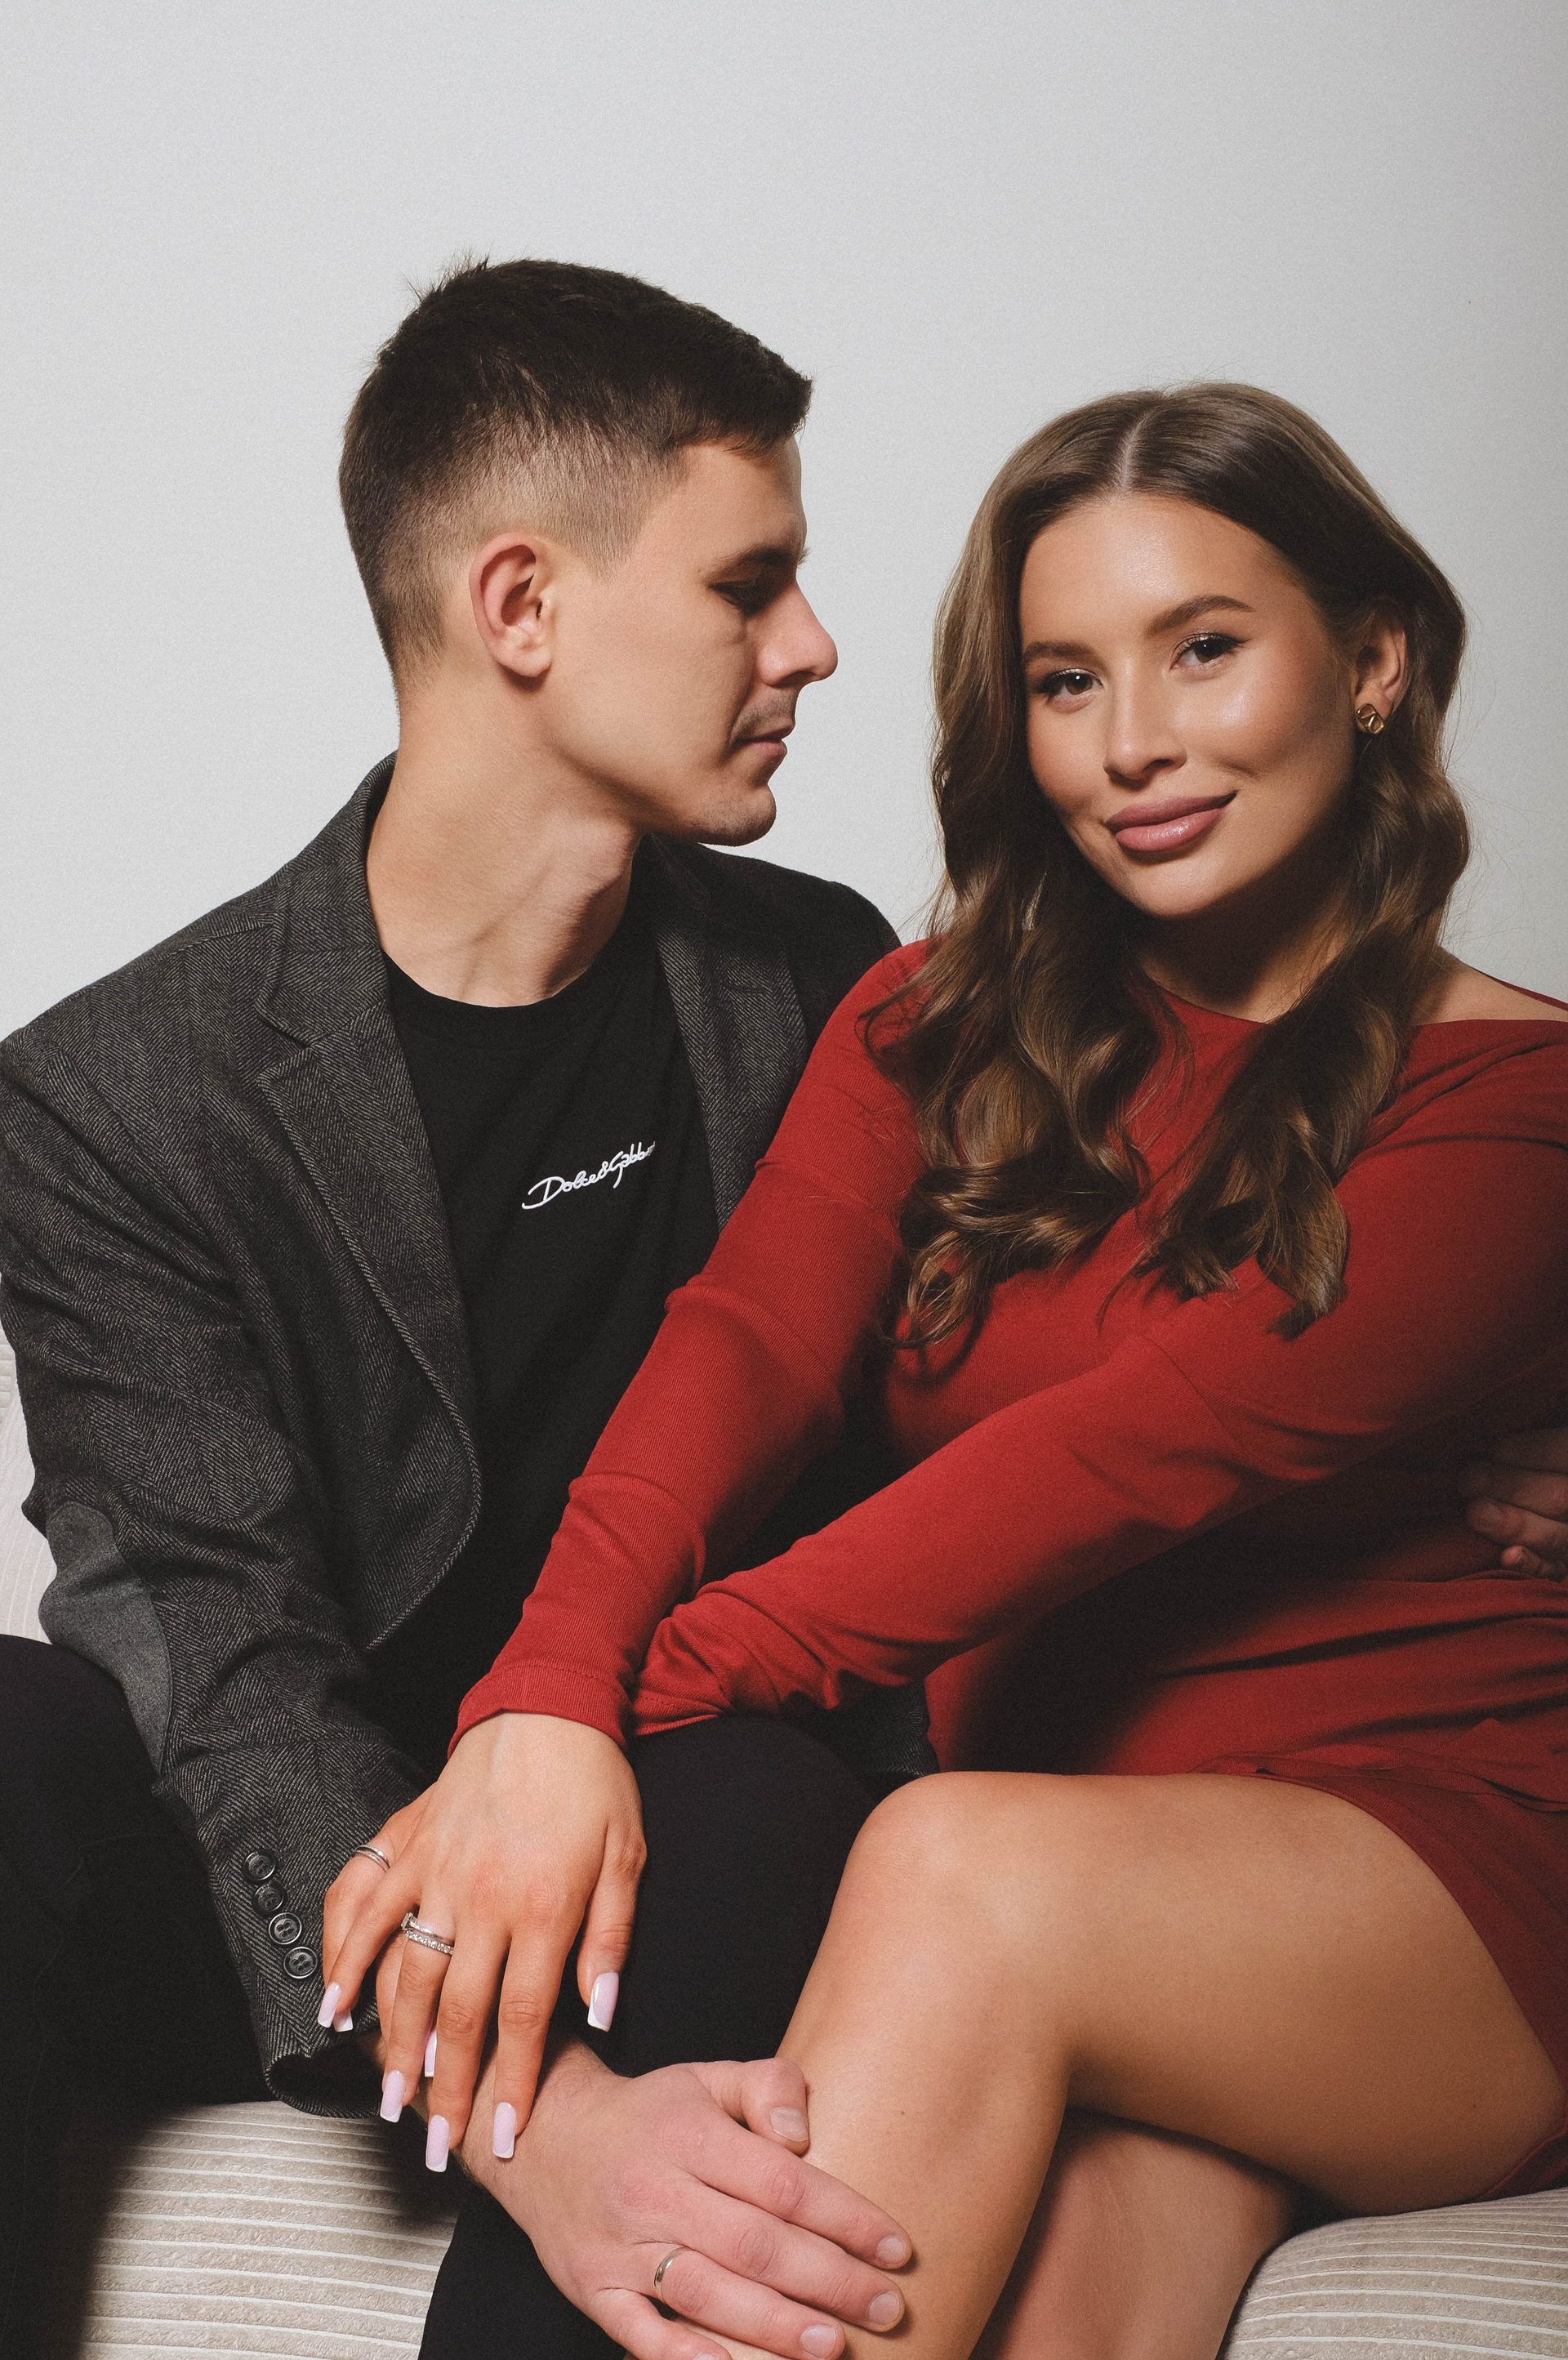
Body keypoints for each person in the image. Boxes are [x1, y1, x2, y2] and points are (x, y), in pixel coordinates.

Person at [326, 382, 1568, 2360]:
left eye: (1205, 648)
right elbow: (742, 1345)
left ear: (1375, 660)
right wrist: (535, 1698)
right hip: (1112, 1906)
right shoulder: (934, 1021)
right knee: (1006, 2291)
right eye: (1067, 680)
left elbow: (1120, 1462)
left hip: (1444, 1883)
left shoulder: (1516, 1106)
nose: (1133, 741)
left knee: (952, 1863)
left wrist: (572, 1733)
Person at [0, 257, 929, 2360]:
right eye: (750, 583)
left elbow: (1025, 1363)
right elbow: (215, 1651)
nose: (812, 644)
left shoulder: (814, 980)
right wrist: (540, 2123)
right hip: (307, 1870)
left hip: (673, 1816)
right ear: (523, 605)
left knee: (763, 1788)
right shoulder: (117, 1095)